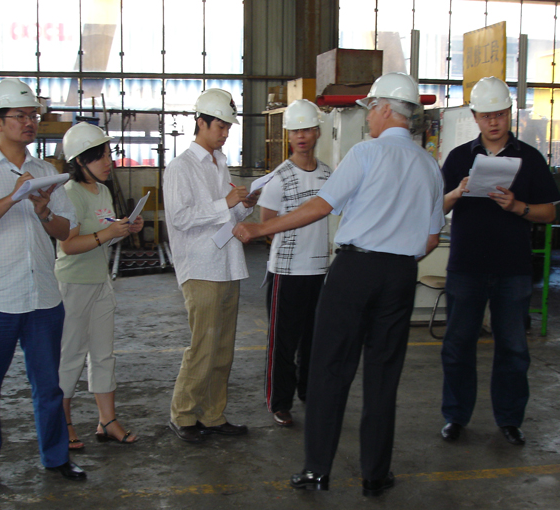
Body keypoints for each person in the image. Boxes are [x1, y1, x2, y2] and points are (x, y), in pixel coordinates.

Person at [234, 72, 444, 497]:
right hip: (401, 276)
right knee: (383, 377)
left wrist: (260, 229)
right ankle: (375, 474)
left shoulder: (365, 153)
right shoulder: (429, 166)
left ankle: (317, 470)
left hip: (355, 272)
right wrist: (396, 254)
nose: (368, 118)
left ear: (384, 109)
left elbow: (320, 205)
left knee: (330, 369)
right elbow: (431, 239)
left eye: (370, 109)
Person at [0, 78, 85, 495]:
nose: (29, 122)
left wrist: (43, 211)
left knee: (49, 387)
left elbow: (66, 231)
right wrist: (12, 197)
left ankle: (56, 457)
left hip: (42, 296)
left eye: (33, 116)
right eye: (20, 116)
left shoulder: (45, 173)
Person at [439, 76, 560, 446]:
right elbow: (436, 207)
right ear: (475, 117)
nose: (494, 122)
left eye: (500, 114)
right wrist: (457, 192)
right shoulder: (459, 158)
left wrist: (517, 206)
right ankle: (456, 417)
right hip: (466, 266)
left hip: (513, 269)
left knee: (513, 348)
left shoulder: (530, 158)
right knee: (458, 346)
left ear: (510, 113)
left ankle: (509, 420)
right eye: (486, 115)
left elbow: (549, 213)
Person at [164, 88, 259, 443]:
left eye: (228, 127)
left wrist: (245, 205)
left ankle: (213, 414)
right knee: (203, 346)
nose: (225, 133)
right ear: (200, 122)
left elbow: (226, 215)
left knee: (222, 349)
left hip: (228, 264)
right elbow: (181, 217)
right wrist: (225, 203)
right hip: (201, 267)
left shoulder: (220, 164)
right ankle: (183, 414)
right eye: (220, 126)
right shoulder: (181, 167)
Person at [54, 122, 144, 449]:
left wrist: (125, 228)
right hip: (73, 285)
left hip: (100, 282)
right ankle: (62, 423)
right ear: (80, 160)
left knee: (104, 354)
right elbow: (68, 244)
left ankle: (107, 421)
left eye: (109, 154)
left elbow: (104, 234)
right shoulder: (69, 193)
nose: (109, 162)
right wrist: (109, 232)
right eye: (101, 156)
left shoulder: (103, 191)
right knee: (71, 356)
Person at [258, 99, 332, 427]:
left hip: (319, 271)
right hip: (287, 273)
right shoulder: (279, 177)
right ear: (288, 136)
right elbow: (266, 225)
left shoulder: (329, 175)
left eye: (307, 130)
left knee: (314, 340)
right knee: (283, 343)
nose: (301, 136)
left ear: (317, 132)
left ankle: (309, 392)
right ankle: (280, 402)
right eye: (295, 131)